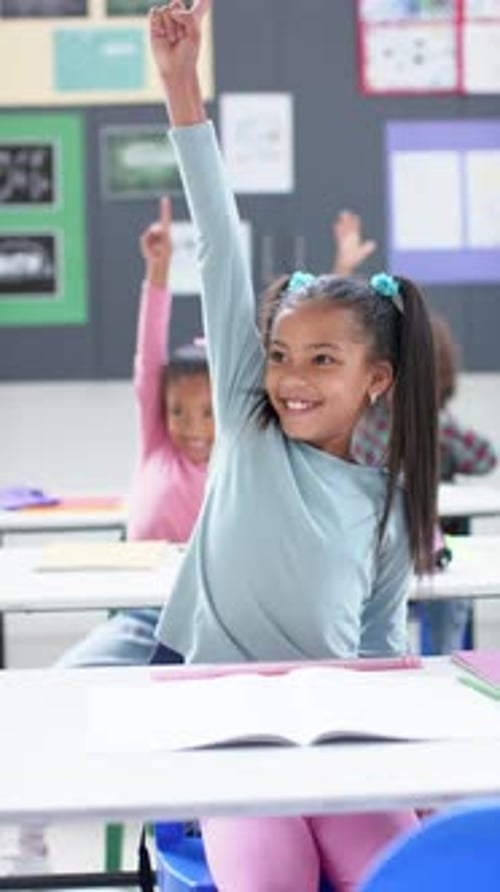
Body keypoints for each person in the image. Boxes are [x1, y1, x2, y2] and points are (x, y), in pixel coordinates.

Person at [148, 3, 439, 891]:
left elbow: (384, 646)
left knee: (404, 871)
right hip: (226, 733)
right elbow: (218, 242)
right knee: (273, 878)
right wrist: (181, 86)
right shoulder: (246, 422)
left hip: (336, 739)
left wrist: (407, 770)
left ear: (376, 380)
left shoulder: (385, 506)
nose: (292, 377)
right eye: (280, 355)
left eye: (322, 360)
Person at [1, 197, 214, 878]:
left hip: (215, 636)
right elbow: (149, 359)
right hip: (142, 625)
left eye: (208, 410)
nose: (192, 424)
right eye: (178, 410)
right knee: (50, 696)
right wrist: (158, 275)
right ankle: (25, 838)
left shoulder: (240, 462)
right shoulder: (157, 450)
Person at [352, 311, 497, 654]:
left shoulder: (440, 423)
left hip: (431, 547)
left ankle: (445, 660)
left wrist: (437, 427)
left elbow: (485, 459)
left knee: (450, 601)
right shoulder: (370, 422)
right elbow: (366, 464)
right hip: (377, 544)